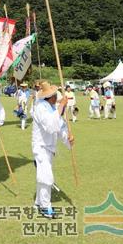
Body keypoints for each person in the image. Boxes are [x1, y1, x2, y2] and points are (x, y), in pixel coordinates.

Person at [32, 81, 74, 219]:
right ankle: (45, 207)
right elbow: (50, 126)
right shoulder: (41, 108)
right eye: (55, 95)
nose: (57, 97)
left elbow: (60, 127)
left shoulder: (52, 107)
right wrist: (61, 106)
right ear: (50, 96)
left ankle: (39, 202)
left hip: (50, 148)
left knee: (43, 176)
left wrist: (68, 138)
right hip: (41, 147)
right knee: (46, 177)